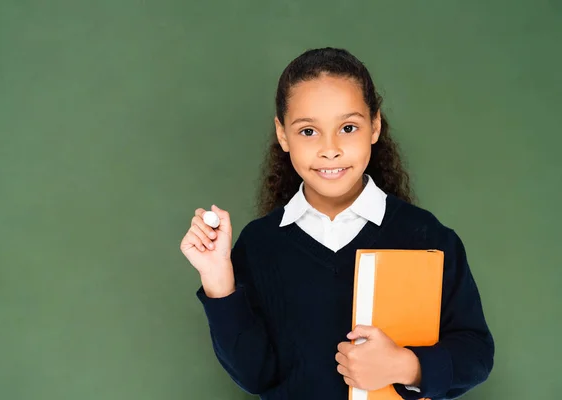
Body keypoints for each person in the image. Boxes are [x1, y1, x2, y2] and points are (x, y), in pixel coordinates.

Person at [180, 47, 494, 399]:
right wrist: (217, 279)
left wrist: (405, 365)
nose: (330, 149)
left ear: (374, 125)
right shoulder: (259, 244)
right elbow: (255, 375)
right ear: (282, 135)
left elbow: (476, 353)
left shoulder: (426, 236)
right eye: (308, 131)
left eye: (347, 127)